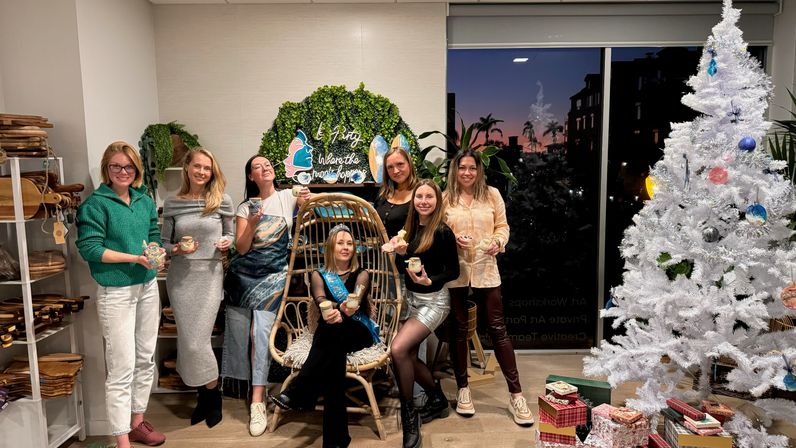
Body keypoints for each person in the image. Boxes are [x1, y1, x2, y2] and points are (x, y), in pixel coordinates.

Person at [76, 141, 166, 447]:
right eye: (116, 166)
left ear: (136, 170)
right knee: (121, 366)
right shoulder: (95, 204)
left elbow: (153, 234)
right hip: (116, 291)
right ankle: (121, 439)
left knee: (145, 358)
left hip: (148, 286)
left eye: (129, 166)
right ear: (106, 169)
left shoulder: (143, 201)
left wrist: (156, 252)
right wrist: (133, 258)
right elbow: (90, 248)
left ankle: (137, 422)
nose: (123, 172)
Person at [443, 149, 534, 426]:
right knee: (459, 328)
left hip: (486, 266)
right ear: (455, 171)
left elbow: (503, 226)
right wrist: (452, 238)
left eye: (472, 168)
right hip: (456, 270)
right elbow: (437, 230)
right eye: (462, 168)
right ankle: (463, 390)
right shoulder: (445, 197)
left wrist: (498, 241)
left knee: (497, 328)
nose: (467, 173)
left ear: (479, 170)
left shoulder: (492, 194)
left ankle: (516, 395)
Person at [222, 155, 310, 437]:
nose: (265, 167)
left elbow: (312, 203)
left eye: (268, 164)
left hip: (273, 276)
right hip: (243, 275)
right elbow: (242, 248)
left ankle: (257, 401)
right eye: (257, 166)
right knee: (239, 334)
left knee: (260, 333)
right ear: (251, 177)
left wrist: (306, 199)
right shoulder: (245, 206)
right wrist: (252, 221)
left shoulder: (287, 196)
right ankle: (241, 389)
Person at [269, 224, 379, 448]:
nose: (346, 247)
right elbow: (319, 298)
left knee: (332, 331)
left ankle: (298, 391)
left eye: (350, 243)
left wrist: (349, 305)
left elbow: (358, 292)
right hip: (332, 332)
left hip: (358, 331)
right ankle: (337, 440)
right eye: (340, 243)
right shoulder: (319, 274)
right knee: (333, 359)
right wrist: (329, 309)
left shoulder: (362, 273)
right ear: (331, 247)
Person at [161, 148, 234, 428]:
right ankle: (204, 397)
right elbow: (164, 243)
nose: (202, 172)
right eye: (198, 166)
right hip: (181, 278)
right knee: (189, 341)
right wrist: (176, 248)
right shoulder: (173, 203)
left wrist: (227, 242)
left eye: (207, 168)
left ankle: (212, 397)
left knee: (197, 342)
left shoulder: (221, 200)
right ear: (187, 168)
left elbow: (230, 233)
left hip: (210, 275)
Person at [391, 179, 459, 448]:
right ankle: (437, 399)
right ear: (414, 201)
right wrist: (399, 253)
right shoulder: (407, 231)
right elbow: (403, 267)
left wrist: (432, 281)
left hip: (434, 301)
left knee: (398, 350)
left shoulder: (442, 231)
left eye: (429, 197)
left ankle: (409, 415)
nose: (423, 201)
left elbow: (453, 271)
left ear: (436, 201)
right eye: (419, 196)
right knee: (405, 353)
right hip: (410, 300)